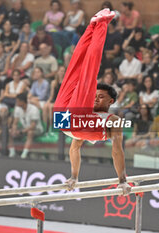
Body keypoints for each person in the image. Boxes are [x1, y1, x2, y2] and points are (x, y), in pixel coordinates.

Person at [53, 9, 131, 194]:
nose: (96, 97)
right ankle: (93, 24)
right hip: (65, 120)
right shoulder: (87, 108)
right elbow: (74, 149)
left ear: (111, 101)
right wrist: (74, 176)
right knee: (76, 65)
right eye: (96, 95)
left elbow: (117, 151)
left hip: (69, 121)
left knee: (90, 67)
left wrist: (122, 180)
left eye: (101, 96)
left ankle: (101, 23)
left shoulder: (113, 121)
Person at [9, 92, 43, 158]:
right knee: (10, 132)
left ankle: (24, 154)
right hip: (24, 128)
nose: (16, 103)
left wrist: (21, 132)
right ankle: (12, 152)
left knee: (30, 133)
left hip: (36, 129)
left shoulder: (34, 109)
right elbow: (15, 123)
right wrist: (14, 130)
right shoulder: (17, 109)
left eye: (18, 101)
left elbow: (33, 126)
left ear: (22, 102)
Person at [42, 66, 65, 132]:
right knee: (45, 106)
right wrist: (48, 101)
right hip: (54, 100)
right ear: (57, 72)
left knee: (51, 107)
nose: (61, 73)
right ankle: (46, 127)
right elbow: (52, 96)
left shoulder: (66, 82)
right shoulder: (53, 82)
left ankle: (51, 129)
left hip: (61, 100)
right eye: (60, 71)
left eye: (63, 71)